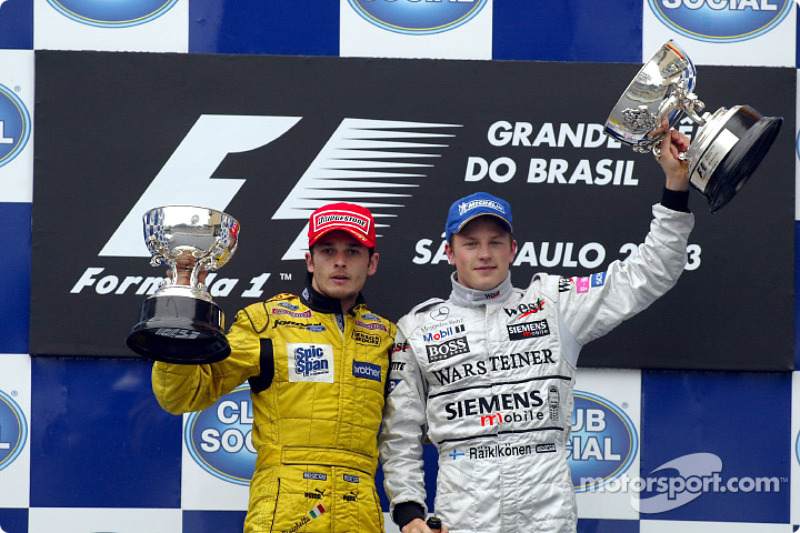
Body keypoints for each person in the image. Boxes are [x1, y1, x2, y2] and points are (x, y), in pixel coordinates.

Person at [378, 120, 694, 533]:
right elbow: (400, 431)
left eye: (495, 242)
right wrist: (408, 511)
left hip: (546, 508)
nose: (484, 254)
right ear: (449, 252)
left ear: (514, 249)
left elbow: (648, 272)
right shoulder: (417, 327)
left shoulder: (553, 304)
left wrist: (675, 185)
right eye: (470, 244)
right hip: (463, 512)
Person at [151, 202, 397, 533]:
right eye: (327, 250)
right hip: (286, 515)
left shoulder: (388, 336)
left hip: (361, 514)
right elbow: (181, 396)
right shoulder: (268, 322)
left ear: (373, 263)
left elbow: (414, 428)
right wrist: (182, 314)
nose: (340, 261)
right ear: (310, 261)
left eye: (353, 251)